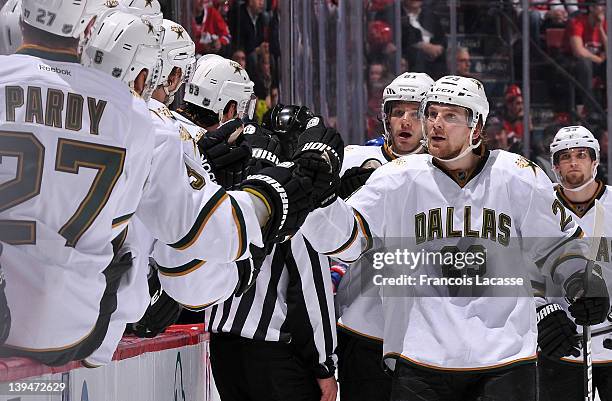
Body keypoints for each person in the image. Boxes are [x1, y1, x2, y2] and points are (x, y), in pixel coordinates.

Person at [0, 0, 322, 367]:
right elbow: (205, 247)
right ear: (91, 28)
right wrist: (267, 192)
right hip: (76, 330)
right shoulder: (142, 118)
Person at [298, 75, 609, 400]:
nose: (435, 124)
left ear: (476, 127)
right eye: (431, 114)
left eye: (449, 116)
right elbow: (346, 242)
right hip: (420, 358)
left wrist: (584, 282)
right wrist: (322, 201)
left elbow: (558, 244)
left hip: (505, 358)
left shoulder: (518, 175)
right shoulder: (398, 176)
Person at [335, 72, 434, 401]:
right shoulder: (351, 160)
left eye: (415, 113)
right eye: (397, 112)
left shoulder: (447, 173)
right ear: (385, 118)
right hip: (361, 324)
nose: (405, 121)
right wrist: (334, 195)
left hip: (425, 332)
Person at [536, 125, 612, 401]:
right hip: (558, 343)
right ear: (555, 166)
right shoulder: (537, 208)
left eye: (581, 154)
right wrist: (541, 312)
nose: (573, 162)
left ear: (595, 160)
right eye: (565, 156)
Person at [563, 1, 607, 113]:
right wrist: (599, 59)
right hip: (574, 61)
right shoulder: (577, 22)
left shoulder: (605, 24)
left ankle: (607, 106)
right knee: (585, 64)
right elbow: (578, 51)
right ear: (591, 8)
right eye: (600, 5)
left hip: (596, 61)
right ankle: (590, 110)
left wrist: (601, 28)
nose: (603, 8)